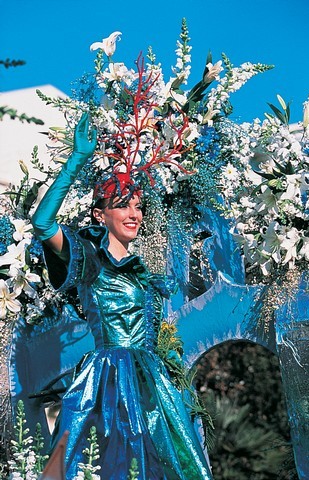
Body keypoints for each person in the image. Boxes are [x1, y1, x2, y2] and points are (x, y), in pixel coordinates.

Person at [32, 112, 213, 479]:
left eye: (138, 205)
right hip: (107, 381)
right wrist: (77, 160)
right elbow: (43, 223)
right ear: (100, 214)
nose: (134, 213)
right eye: (122, 205)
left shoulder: (147, 274)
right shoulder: (88, 258)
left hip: (153, 385)